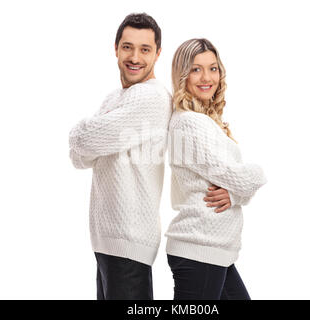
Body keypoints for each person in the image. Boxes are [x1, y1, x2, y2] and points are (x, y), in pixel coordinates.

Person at [68, 13, 172, 300]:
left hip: (130, 241)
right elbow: (78, 157)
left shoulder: (152, 97)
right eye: (127, 47)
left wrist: (88, 131)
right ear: (116, 49)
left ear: (158, 53)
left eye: (145, 49)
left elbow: (83, 138)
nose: (135, 57)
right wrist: (90, 135)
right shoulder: (113, 98)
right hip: (105, 242)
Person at [165, 38, 267, 300]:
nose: (206, 77)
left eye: (213, 68)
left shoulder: (207, 121)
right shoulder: (189, 123)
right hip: (200, 247)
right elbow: (239, 176)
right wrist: (255, 175)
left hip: (212, 250)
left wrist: (234, 195)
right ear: (183, 75)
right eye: (196, 69)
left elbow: (232, 182)